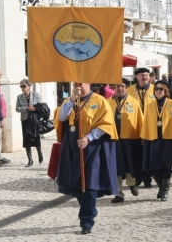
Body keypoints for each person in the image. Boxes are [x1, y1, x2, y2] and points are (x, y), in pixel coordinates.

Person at [57, 82, 118, 235]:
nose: (78, 86)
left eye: (81, 83)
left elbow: (106, 124)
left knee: (89, 184)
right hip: (72, 146)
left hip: (92, 146)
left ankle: (86, 220)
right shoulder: (70, 101)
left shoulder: (99, 101)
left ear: (88, 84)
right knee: (76, 185)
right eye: (75, 83)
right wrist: (71, 99)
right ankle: (90, 209)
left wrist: (89, 138)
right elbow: (62, 117)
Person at [141, 80, 172, 201]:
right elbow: (146, 122)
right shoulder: (150, 105)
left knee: (167, 166)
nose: (158, 91)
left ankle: (165, 191)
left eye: (161, 89)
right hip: (154, 139)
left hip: (168, 139)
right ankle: (161, 188)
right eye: (156, 89)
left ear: (166, 91)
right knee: (155, 167)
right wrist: (144, 137)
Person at [107, 79, 143, 203]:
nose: (120, 89)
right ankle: (118, 193)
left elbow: (140, 121)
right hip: (114, 139)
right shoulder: (108, 102)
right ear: (113, 87)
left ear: (126, 87)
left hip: (130, 139)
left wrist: (142, 138)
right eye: (117, 86)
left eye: (122, 86)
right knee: (116, 166)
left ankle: (132, 184)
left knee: (129, 163)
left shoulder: (133, 102)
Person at [126, 68, 155, 188]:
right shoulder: (129, 90)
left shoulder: (155, 89)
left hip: (150, 127)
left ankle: (148, 178)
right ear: (136, 77)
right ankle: (138, 177)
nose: (145, 78)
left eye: (146, 75)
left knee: (148, 153)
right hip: (135, 127)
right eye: (142, 75)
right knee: (136, 154)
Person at [16, 79, 43, 167]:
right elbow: (17, 108)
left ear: (29, 86)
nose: (22, 88)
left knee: (36, 137)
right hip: (25, 120)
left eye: (24, 86)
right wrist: (26, 108)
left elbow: (41, 105)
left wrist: (34, 107)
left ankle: (39, 153)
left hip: (34, 119)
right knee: (26, 138)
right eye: (21, 86)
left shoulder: (36, 95)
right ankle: (30, 159)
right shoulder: (19, 97)